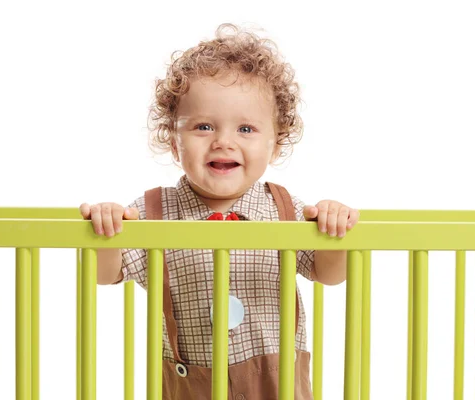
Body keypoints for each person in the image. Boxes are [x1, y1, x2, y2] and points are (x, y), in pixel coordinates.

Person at [79, 23, 359, 399]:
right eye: (203, 126)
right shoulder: (151, 213)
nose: (223, 142)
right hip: (193, 384)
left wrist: (333, 230)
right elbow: (104, 274)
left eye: (246, 129)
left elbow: (329, 275)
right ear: (175, 144)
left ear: (276, 144)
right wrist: (106, 231)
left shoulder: (285, 208)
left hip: (277, 384)